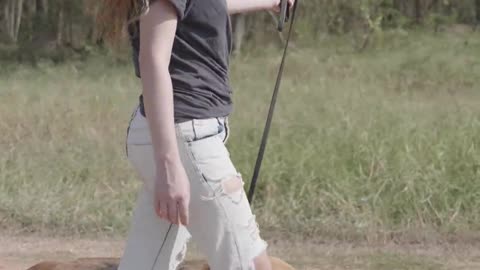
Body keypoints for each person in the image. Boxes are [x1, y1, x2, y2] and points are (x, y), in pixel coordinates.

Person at [99, 0, 293, 269]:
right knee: (253, 266)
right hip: (184, 136)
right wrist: (169, 165)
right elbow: (153, 61)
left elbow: (205, 5)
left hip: (179, 135)